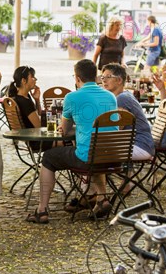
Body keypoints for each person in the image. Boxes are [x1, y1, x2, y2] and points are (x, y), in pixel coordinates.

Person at [29, 60, 117, 224]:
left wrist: (77, 128)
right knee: (97, 149)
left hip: (87, 158)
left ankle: (41, 210)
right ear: (96, 76)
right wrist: (84, 129)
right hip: (112, 155)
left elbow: (65, 130)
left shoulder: (72, 97)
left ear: (77, 78)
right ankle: (101, 199)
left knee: (48, 157)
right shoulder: (110, 96)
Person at [100, 64, 155, 161]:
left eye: (108, 77)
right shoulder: (124, 95)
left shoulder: (122, 98)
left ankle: (104, 175)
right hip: (138, 145)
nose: (104, 80)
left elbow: (117, 128)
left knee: (93, 151)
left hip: (139, 146)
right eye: (103, 77)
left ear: (119, 80)